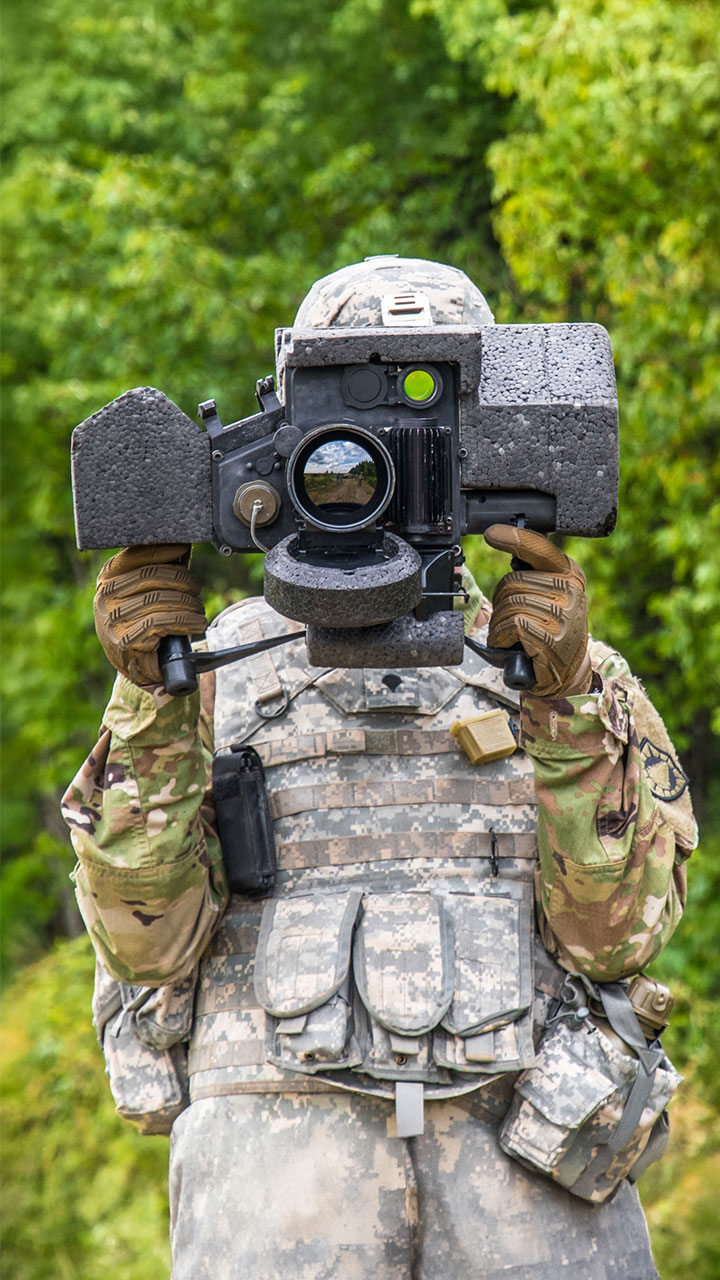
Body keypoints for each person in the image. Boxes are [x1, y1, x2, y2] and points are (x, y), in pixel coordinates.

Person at [62, 258, 697, 1279]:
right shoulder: (210, 670)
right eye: (340, 451)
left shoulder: (567, 670)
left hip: (530, 1182)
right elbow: (148, 945)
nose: (370, 479)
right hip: (279, 1200)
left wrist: (565, 700)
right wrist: (150, 699)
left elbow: (617, 935)